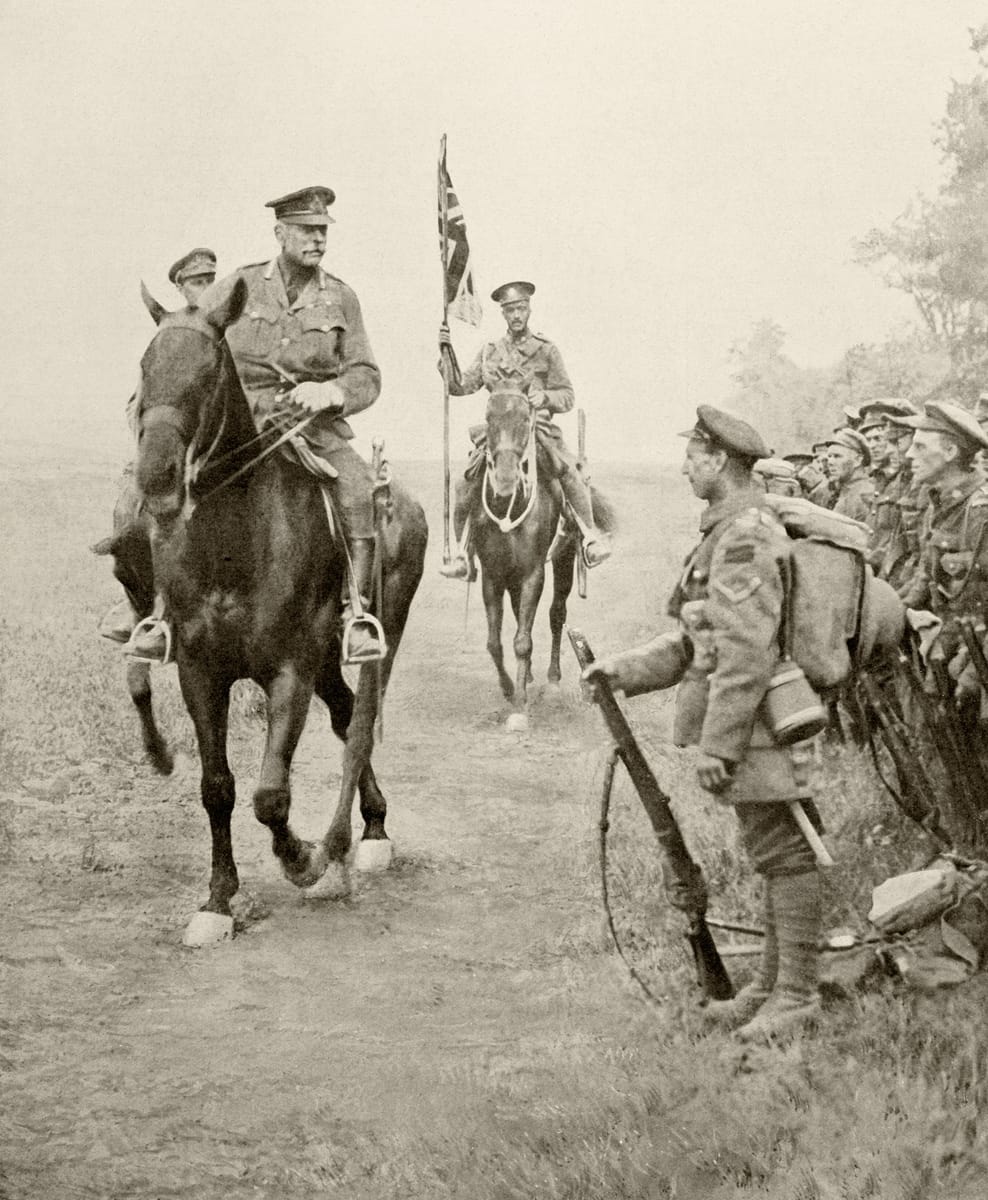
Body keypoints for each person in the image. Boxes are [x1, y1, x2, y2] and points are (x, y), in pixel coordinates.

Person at [583, 405, 824, 1041]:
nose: (684, 466)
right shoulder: (726, 530)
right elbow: (700, 640)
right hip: (753, 720)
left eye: (693, 455)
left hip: (762, 722)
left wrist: (720, 746)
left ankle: (796, 996)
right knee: (776, 852)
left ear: (720, 460)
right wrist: (626, 671)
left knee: (787, 853)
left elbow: (744, 653)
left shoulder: (744, 535)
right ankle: (771, 989)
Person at [183, 186, 385, 663]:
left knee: (358, 490)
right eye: (306, 230)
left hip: (308, 428)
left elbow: (366, 374)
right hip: (236, 424)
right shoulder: (239, 284)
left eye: (322, 231)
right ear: (280, 233)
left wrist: (331, 392)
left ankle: (356, 613)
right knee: (166, 484)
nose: (317, 239)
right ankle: (151, 610)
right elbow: (195, 338)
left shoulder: (341, 297)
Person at [437, 281, 610, 580]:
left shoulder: (546, 350)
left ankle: (589, 537)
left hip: (537, 428)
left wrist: (545, 398)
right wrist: (446, 356)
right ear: (503, 313)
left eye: (521, 308)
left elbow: (567, 395)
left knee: (568, 471)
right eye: (510, 310)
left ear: (529, 309)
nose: (516, 315)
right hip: (498, 434)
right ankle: (463, 553)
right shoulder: (490, 351)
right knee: (465, 483)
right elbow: (460, 386)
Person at [98, 247, 219, 653]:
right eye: (196, 282)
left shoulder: (223, 327)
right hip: (167, 447)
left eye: (209, 280)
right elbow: (140, 403)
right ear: (180, 287)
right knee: (127, 515)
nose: (204, 289)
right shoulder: (167, 334)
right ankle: (142, 608)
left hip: (215, 450)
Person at [823, 427, 874, 525]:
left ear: (858, 460)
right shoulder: (844, 490)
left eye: (837, 456)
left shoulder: (864, 494)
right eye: (829, 456)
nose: (830, 462)